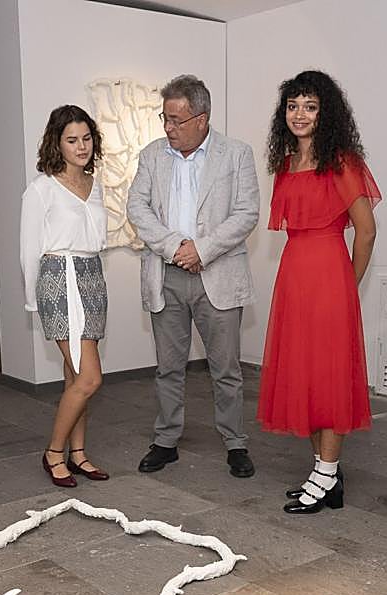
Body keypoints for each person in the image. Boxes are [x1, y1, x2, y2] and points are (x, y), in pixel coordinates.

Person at [257, 70, 381, 513]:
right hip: (294, 276)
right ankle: (324, 472)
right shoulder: (286, 165)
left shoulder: (343, 162)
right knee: (303, 376)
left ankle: (327, 474)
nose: (300, 114)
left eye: (310, 106)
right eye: (292, 106)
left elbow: (366, 232)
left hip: (330, 277)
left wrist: (348, 283)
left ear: (325, 112)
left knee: (328, 378)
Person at [126, 74, 260, 478]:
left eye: (176, 120)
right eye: (164, 118)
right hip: (165, 275)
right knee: (168, 367)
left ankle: (235, 443)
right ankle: (166, 440)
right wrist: (174, 248)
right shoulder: (152, 156)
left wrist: (202, 250)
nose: (168, 128)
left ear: (201, 119)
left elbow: (247, 213)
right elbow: (138, 208)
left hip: (216, 274)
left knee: (226, 369)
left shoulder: (236, 154)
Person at [20, 105, 111, 488]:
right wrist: (33, 302)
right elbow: (28, 251)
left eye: (86, 138)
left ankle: (78, 454)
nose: (81, 146)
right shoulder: (41, 189)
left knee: (76, 376)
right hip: (60, 279)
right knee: (90, 378)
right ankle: (53, 453)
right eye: (72, 140)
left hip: (92, 277)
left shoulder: (96, 185)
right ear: (56, 143)